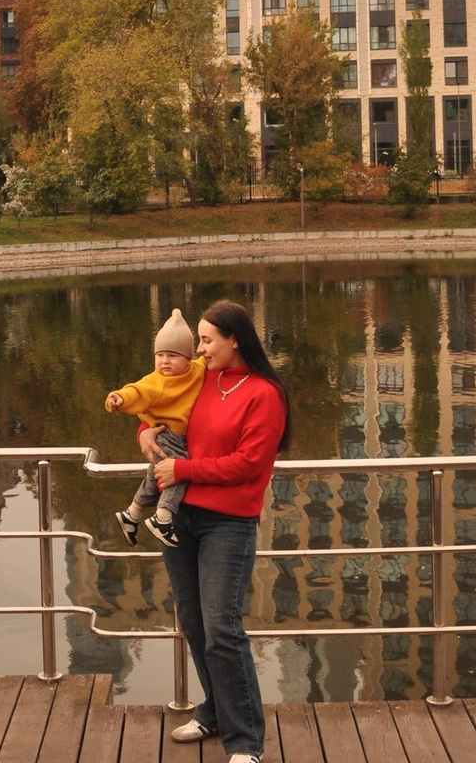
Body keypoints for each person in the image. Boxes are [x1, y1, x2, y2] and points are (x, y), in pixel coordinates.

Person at [141, 298, 290, 763]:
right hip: (180, 518)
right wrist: (145, 432)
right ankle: (214, 710)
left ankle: (245, 741)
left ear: (234, 340)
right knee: (193, 620)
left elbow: (249, 465)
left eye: (207, 341)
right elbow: (159, 404)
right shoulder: (202, 379)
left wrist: (184, 469)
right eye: (199, 340)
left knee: (222, 628)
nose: (199, 350)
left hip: (229, 521)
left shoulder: (265, 393)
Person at [105, 308, 205, 548]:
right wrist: (118, 398)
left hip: (175, 437)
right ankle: (163, 517)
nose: (164, 362)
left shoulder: (198, 371)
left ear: (187, 358)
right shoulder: (157, 380)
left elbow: (207, 358)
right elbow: (137, 390)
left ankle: (132, 513)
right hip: (167, 434)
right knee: (176, 472)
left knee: (155, 473)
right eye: (159, 355)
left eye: (172, 355)